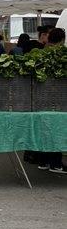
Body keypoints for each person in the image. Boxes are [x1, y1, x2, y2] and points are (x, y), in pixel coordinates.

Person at [36, 27, 67, 173]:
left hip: (41, 97)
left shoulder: (42, 53)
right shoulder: (61, 54)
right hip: (58, 98)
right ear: (62, 40)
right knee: (57, 129)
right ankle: (56, 163)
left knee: (45, 129)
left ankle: (43, 161)